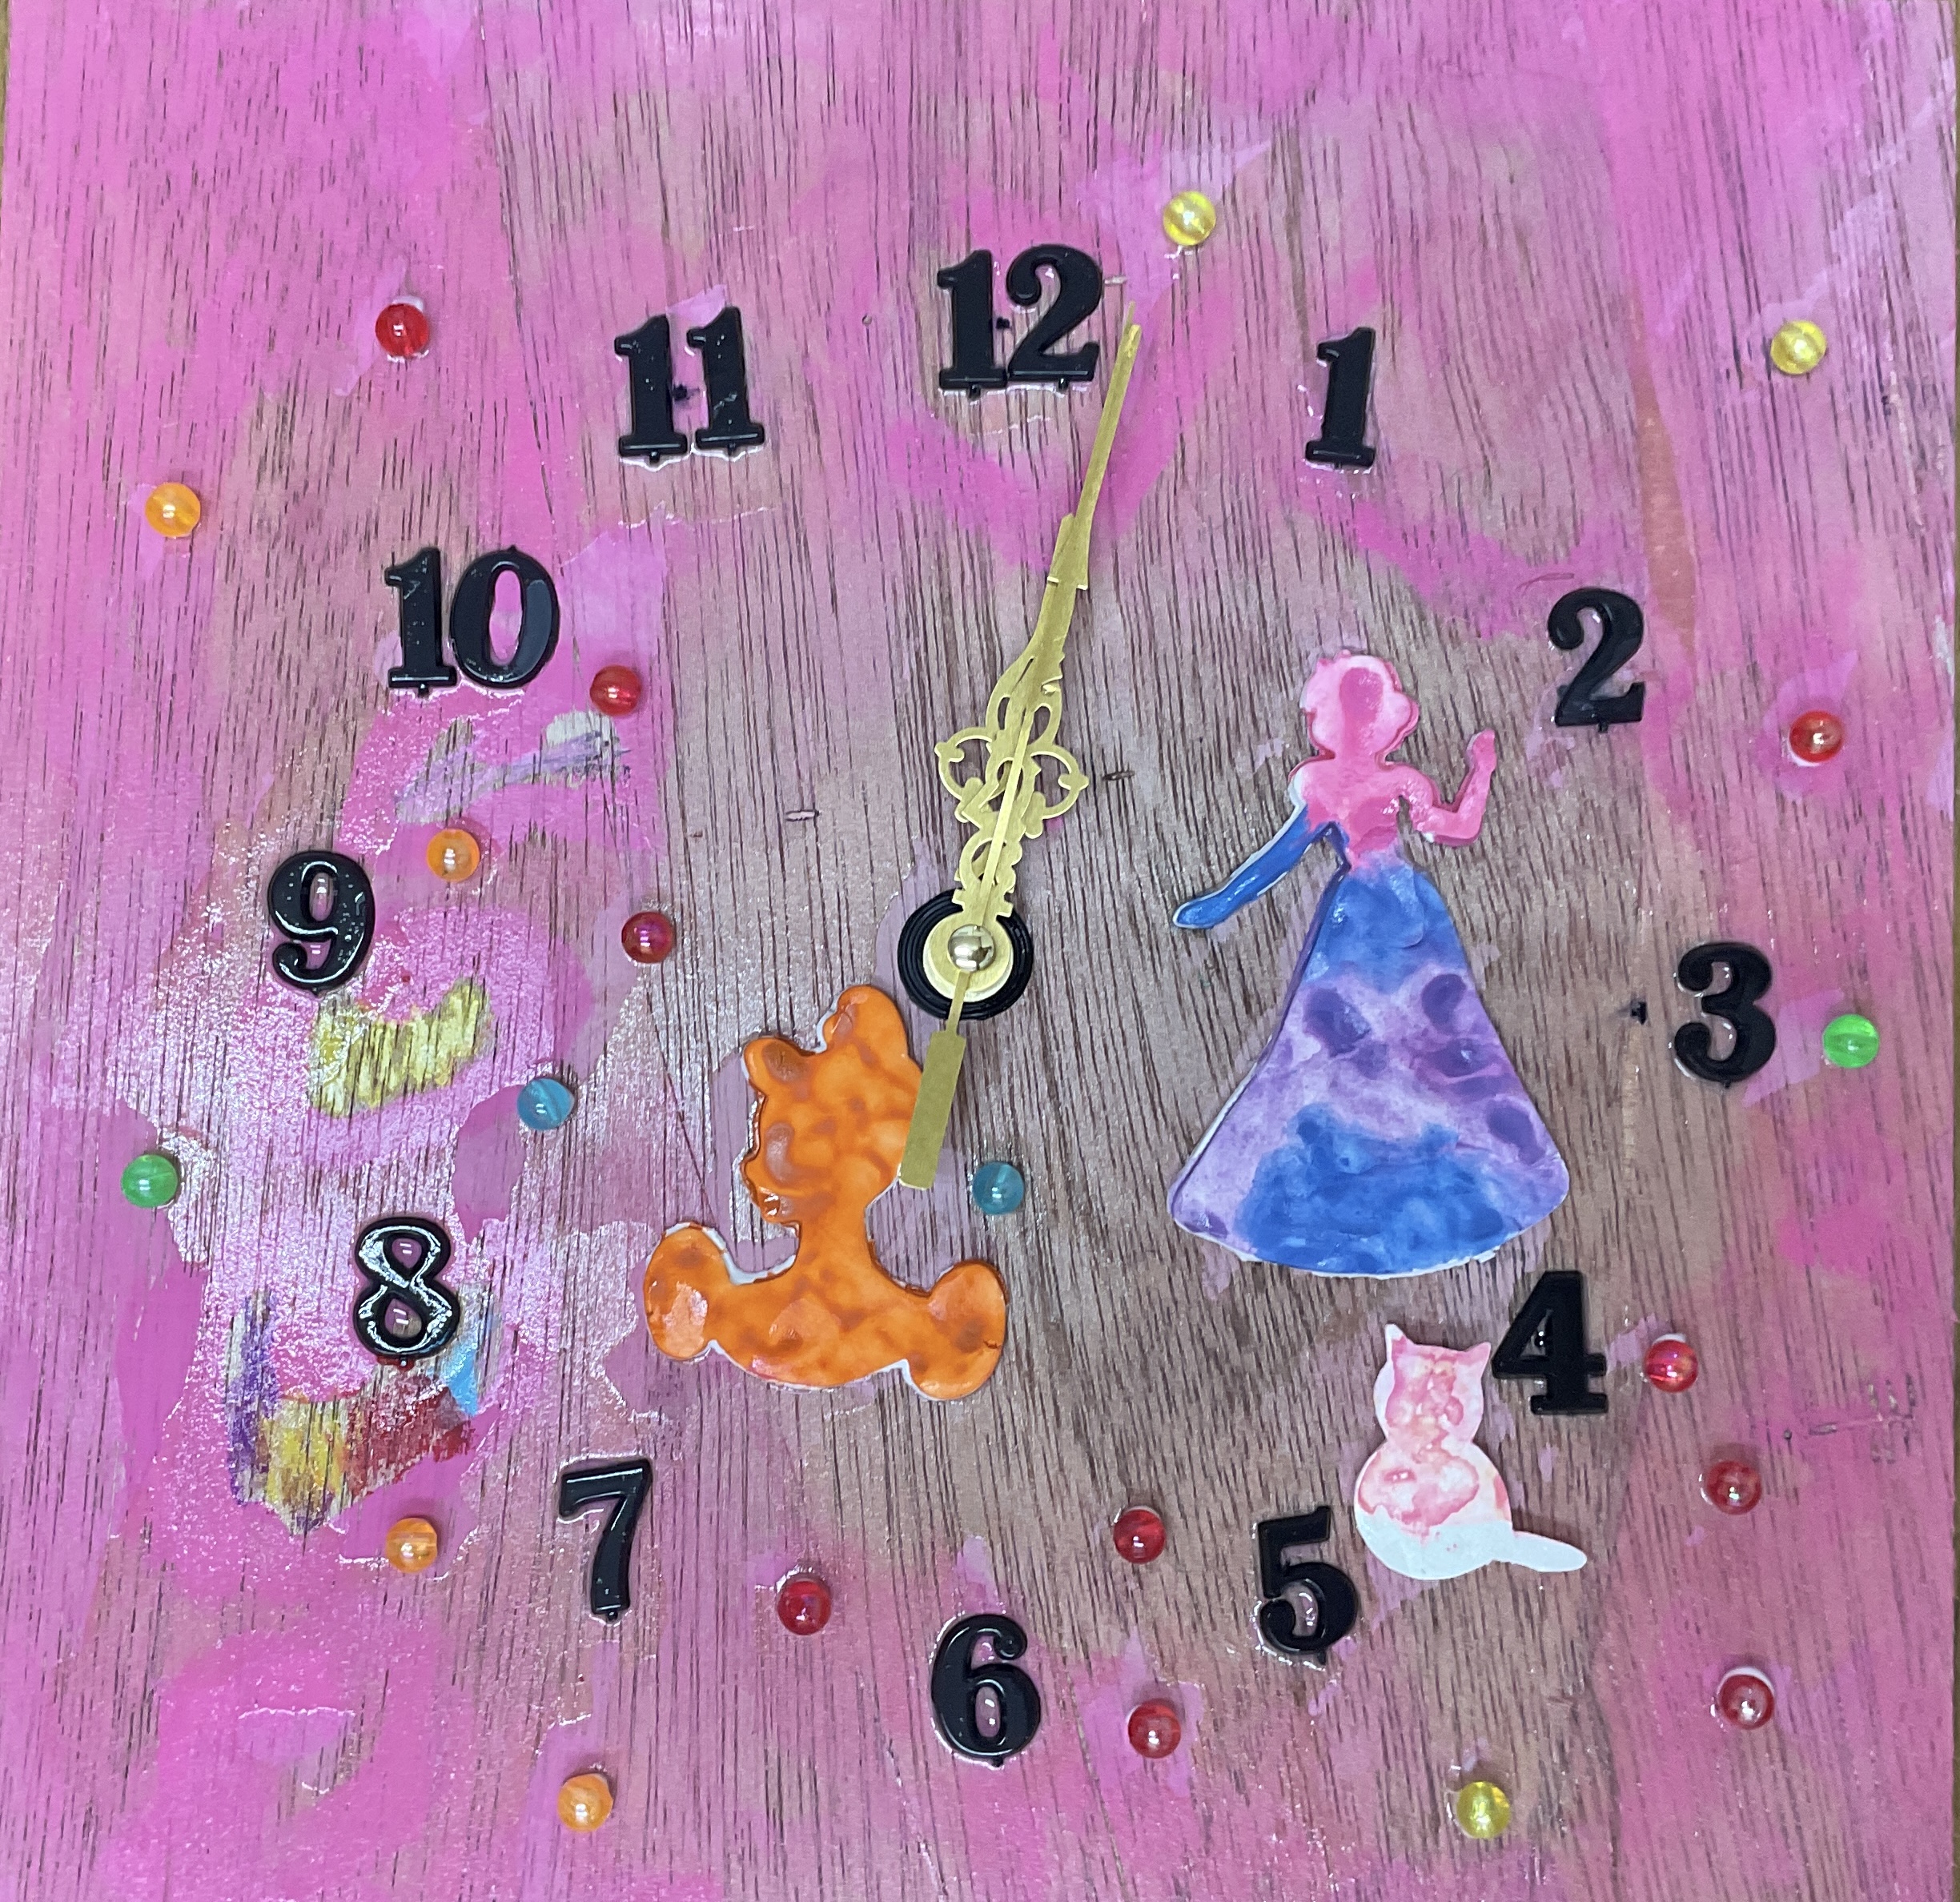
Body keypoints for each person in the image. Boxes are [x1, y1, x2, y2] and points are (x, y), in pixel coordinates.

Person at [1168, 652, 1568, 1278]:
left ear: (1389, 719)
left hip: (1406, 916)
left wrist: (1482, 771)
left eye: (1371, 709)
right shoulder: (1322, 784)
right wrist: (1219, 903)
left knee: (1435, 1042)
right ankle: (1330, 1180)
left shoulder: (1401, 779)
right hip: (1362, 921)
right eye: (1349, 709)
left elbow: (1455, 826)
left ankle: (1465, 1178)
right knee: (1337, 1046)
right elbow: (1283, 854)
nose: (1361, 722)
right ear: (1328, 718)